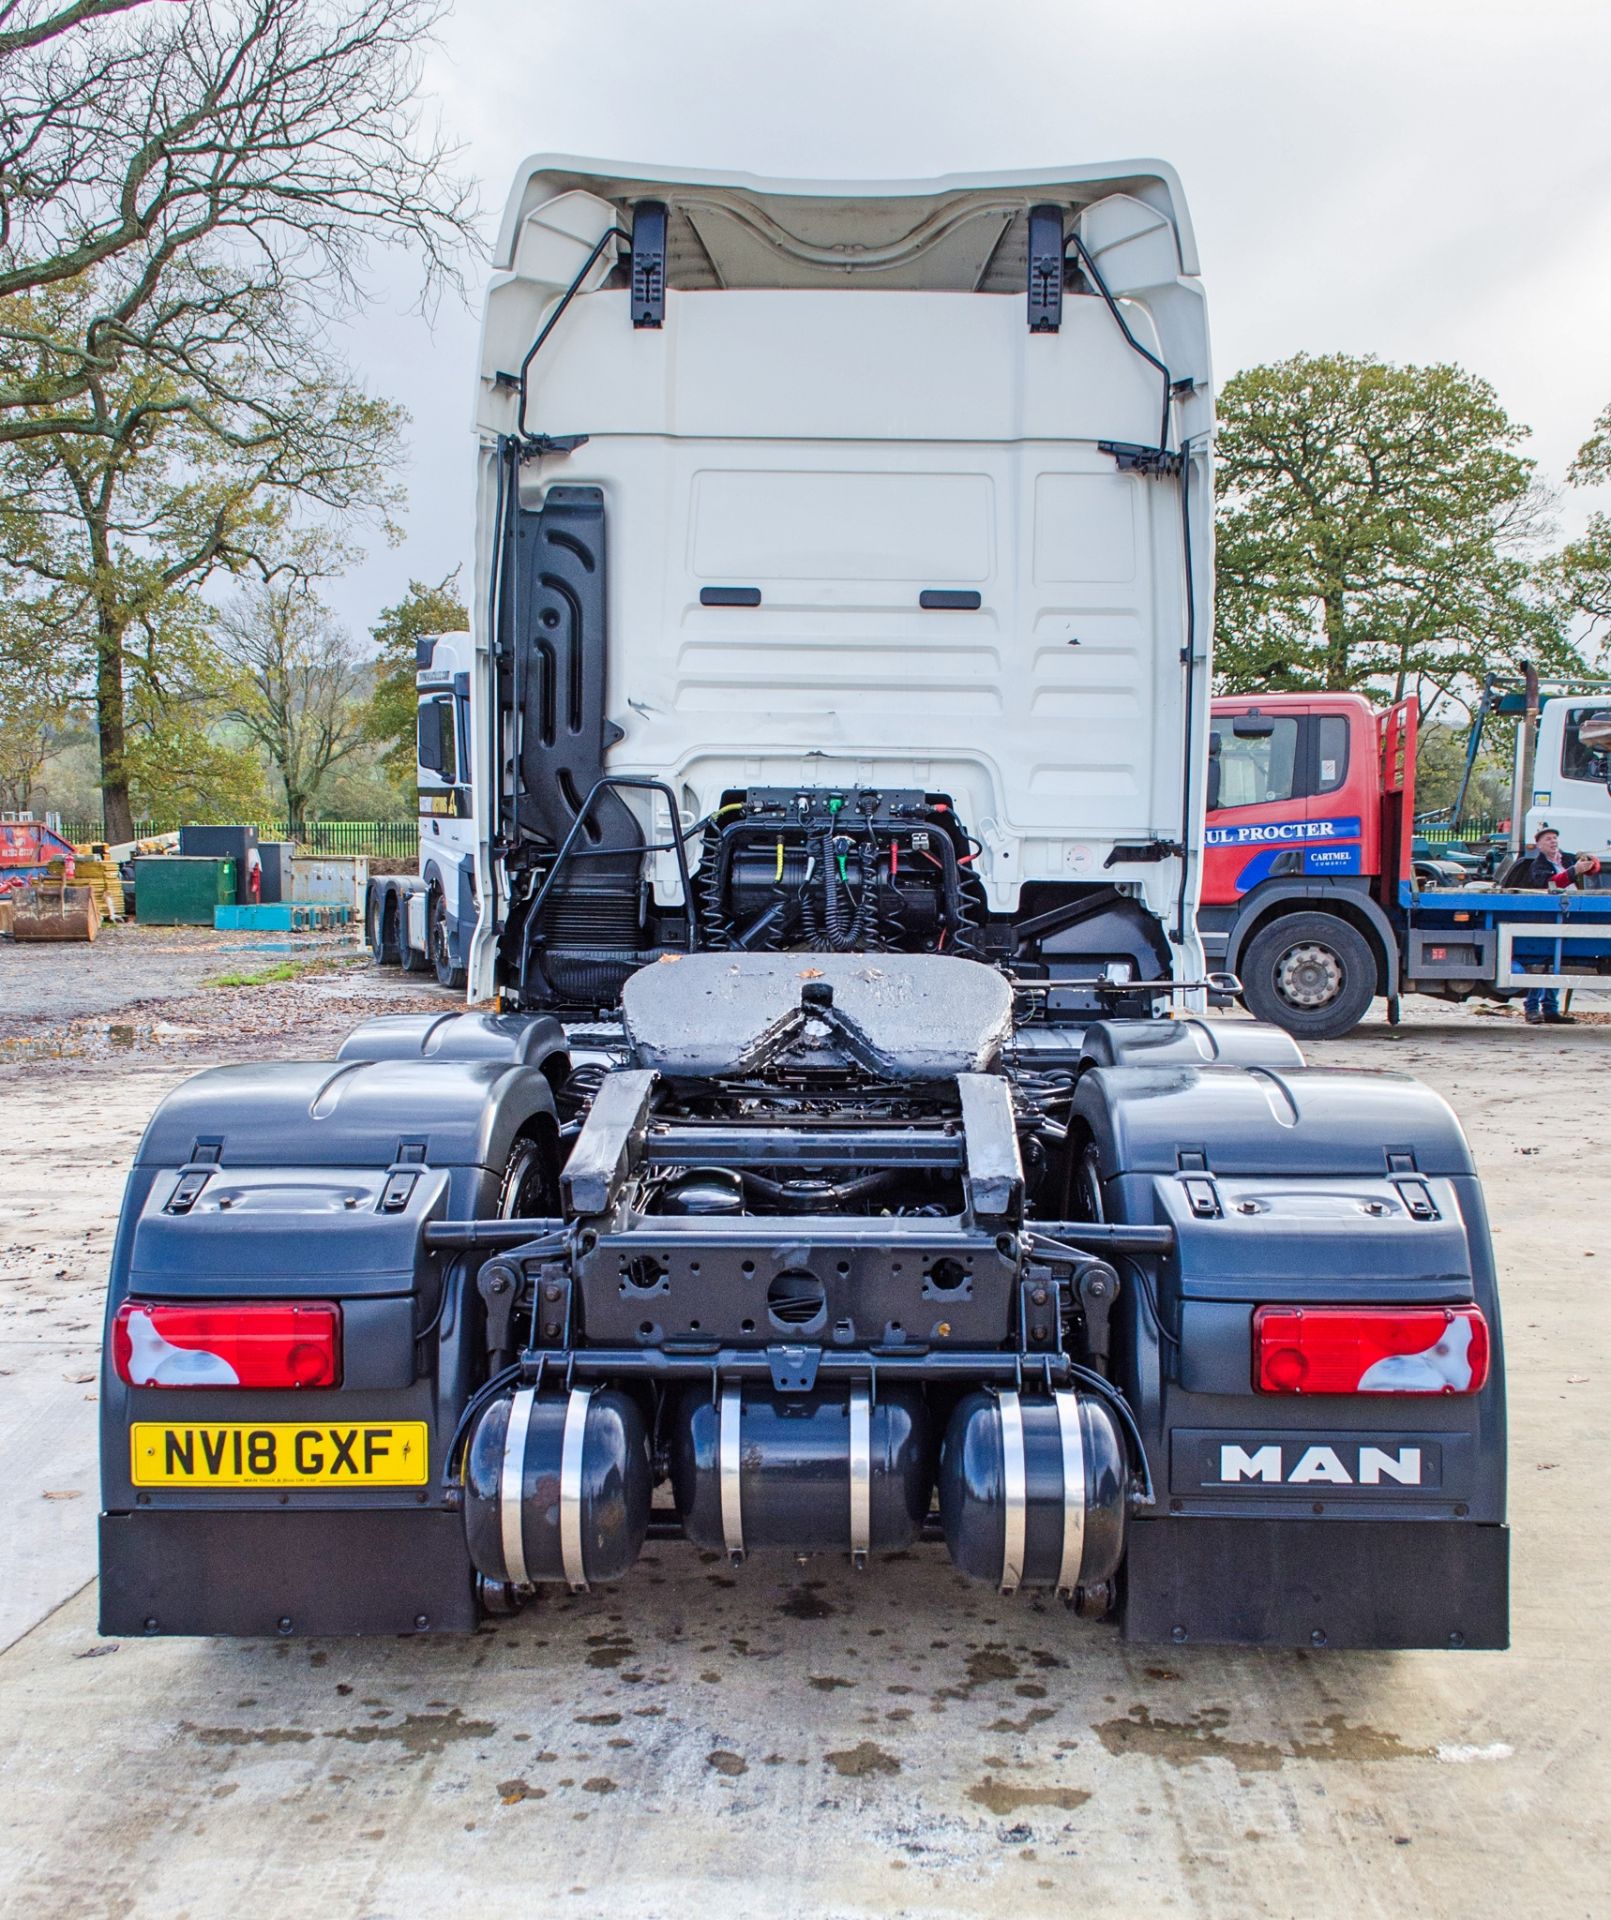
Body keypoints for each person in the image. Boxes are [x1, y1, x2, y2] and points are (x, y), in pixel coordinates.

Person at [1518, 824, 1595, 1024]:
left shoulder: (1567, 858)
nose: (1552, 841)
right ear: (1539, 845)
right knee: (1540, 963)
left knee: (1557, 963)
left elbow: (1591, 868)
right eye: (1547, 839)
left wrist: (1588, 861)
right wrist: (1573, 871)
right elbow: (1550, 884)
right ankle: (1532, 1007)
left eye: (1554, 838)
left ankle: (1551, 1009)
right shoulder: (1538, 865)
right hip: (1548, 917)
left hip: (1569, 915)